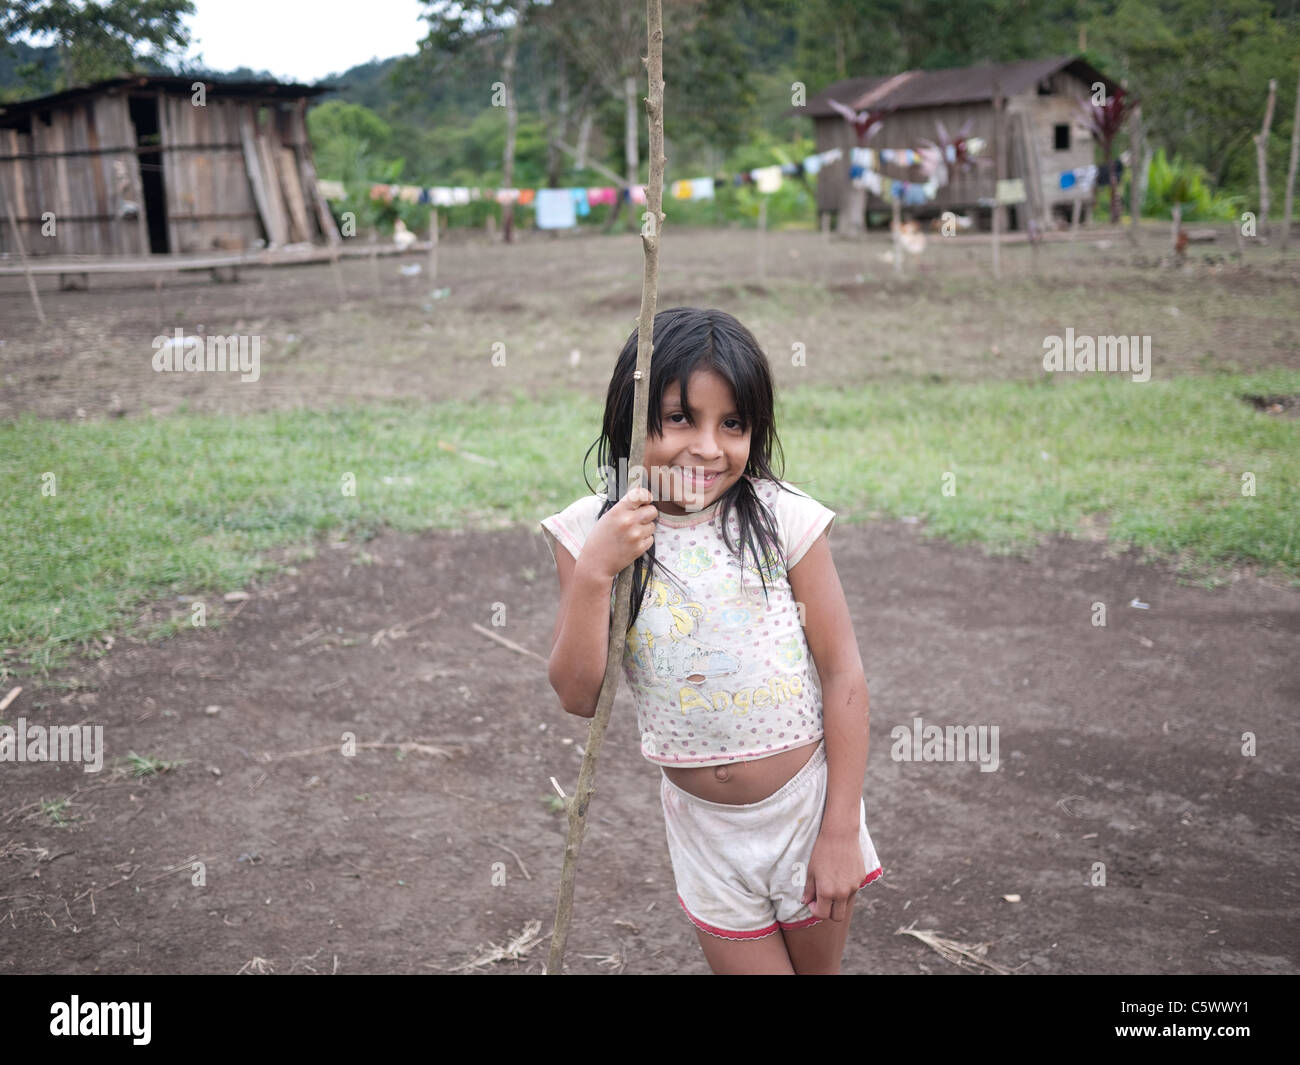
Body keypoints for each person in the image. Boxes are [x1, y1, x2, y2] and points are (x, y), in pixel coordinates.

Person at [540, 307, 883, 974]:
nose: (707, 447)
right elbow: (578, 695)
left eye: (733, 424)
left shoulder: (783, 517)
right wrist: (594, 572)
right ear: (629, 415)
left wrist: (840, 829)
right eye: (679, 418)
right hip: (703, 829)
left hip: (807, 814)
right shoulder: (591, 533)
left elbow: (844, 673)